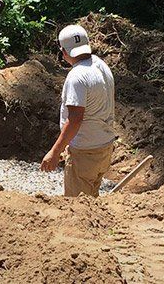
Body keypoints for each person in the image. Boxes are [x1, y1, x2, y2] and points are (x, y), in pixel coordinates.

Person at [40, 24, 117, 197]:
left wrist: (55, 152)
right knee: (91, 201)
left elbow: (75, 119)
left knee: (78, 208)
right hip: (104, 146)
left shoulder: (77, 77)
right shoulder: (100, 64)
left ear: (63, 51)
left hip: (85, 152)